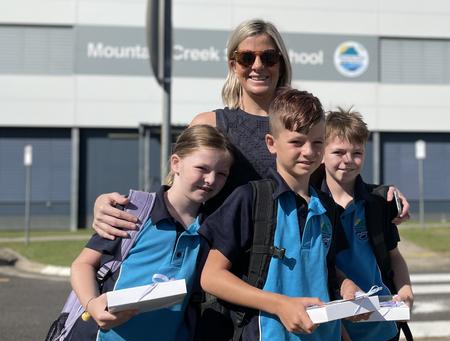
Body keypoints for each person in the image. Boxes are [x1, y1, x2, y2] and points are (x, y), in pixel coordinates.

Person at [90, 18, 410, 241]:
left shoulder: (307, 124)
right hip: (221, 274)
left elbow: (339, 180)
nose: (258, 65)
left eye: (268, 57)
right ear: (233, 65)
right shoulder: (211, 124)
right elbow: (175, 195)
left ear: (280, 63)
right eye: (246, 57)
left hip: (294, 267)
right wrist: (111, 205)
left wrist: (382, 194)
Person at [199, 88, 358, 341]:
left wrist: (346, 288)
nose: (309, 151)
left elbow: (325, 272)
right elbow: (211, 277)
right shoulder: (250, 199)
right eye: (297, 142)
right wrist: (280, 304)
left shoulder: (327, 207)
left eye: (317, 142)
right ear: (271, 143)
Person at [60, 125, 233, 341]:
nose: (211, 179)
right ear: (176, 163)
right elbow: (83, 264)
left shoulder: (213, 228)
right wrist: (92, 304)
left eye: (221, 173)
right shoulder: (133, 211)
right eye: (202, 168)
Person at [317, 108, 413, 341]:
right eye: (338, 152)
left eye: (356, 153)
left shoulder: (378, 202)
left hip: (381, 331)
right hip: (332, 333)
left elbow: (394, 256)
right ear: (321, 152)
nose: (347, 160)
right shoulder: (310, 204)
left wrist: (405, 290)